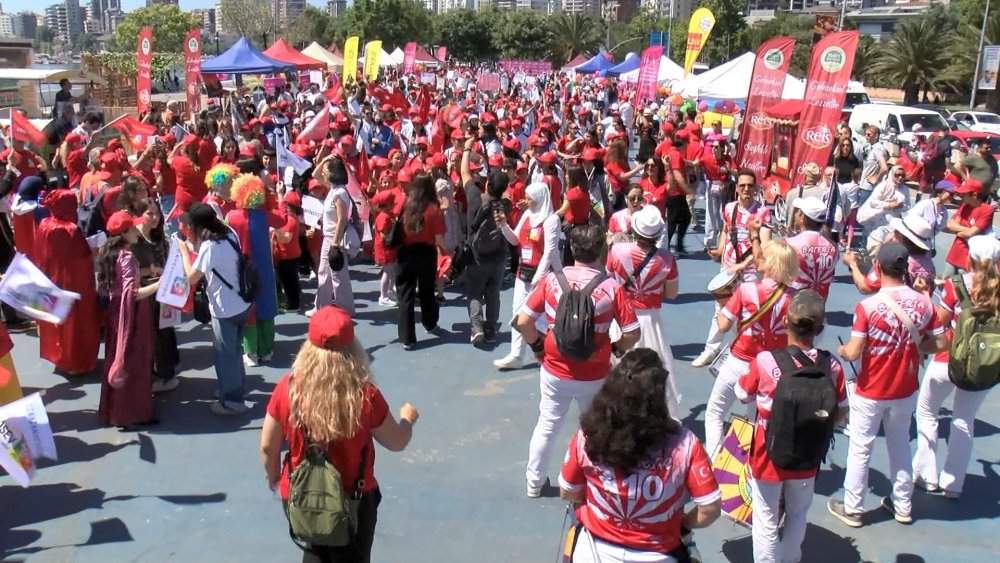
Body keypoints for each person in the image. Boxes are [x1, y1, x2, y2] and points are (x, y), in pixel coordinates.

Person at [260, 306, 419, 563]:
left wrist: (273, 476)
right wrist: (407, 420)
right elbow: (397, 441)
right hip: (352, 501)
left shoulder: (287, 388)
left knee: (314, 549)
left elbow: (268, 447)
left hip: (303, 494)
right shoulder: (364, 395)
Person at [559, 349, 721, 563]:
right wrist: (682, 524)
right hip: (659, 554)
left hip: (593, 551)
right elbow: (709, 508)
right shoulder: (685, 443)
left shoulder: (587, 436)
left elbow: (568, 491)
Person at [515, 225, 640, 497]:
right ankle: (592, 483)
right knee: (595, 429)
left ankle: (534, 482)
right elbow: (633, 333)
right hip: (594, 373)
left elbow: (523, 321)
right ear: (601, 251)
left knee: (547, 423)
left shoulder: (550, 281)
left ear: (572, 250)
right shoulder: (611, 288)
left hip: (554, 369)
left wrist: (538, 347)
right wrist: (614, 349)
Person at [829, 242, 947, 528]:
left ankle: (855, 508)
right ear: (905, 268)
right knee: (900, 445)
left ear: (878, 267)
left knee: (860, 447)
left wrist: (844, 353)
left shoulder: (867, 307)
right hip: (905, 387)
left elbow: (855, 351)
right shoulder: (924, 303)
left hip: (871, 388)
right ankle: (903, 504)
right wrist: (917, 346)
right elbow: (942, 342)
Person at [736, 290, 848, 563]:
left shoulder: (766, 361)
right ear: (820, 328)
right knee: (798, 513)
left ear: (786, 322)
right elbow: (842, 412)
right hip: (808, 454)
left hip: (768, 453)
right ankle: (791, 557)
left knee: (765, 516)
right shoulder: (831, 365)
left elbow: (742, 393)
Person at [912, 236, 1000, 500]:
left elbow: (938, 323)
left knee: (927, 412)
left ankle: (926, 475)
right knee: (964, 420)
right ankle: (953, 484)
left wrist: (924, 295)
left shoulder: (956, 285)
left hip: (948, 359)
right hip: (984, 364)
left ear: (970, 258)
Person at [703, 240, 798, 457]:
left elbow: (723, 325)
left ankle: (716, 463)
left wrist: (721, 305)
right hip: (772, 369)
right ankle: (752, 468)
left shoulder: (746, 290)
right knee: (757, 421)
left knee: (715, 412)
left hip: (738, 362)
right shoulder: (795, 298)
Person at [693, 170, 772, 368]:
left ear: (755, 189)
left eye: (750, 186)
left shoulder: (762, 213)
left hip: (750, 270)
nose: (746, 189)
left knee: (749, 311)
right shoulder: (729, 208)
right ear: (737, 188)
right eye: (742, 185)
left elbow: (765, 246)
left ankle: (745, 352)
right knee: (720, 308)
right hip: (728, 266)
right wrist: (719, 250)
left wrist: (743, 264)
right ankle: (711, 349)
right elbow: (726, 231)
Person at [179, 203, 252, 415]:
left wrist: (184, 253)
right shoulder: (229, 233)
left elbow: (191, 277)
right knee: (235, 350)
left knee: (225, 355)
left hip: (225, 308)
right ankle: (237, 389)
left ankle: (231, 402)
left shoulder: (210, 247)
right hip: (241, 302)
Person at [605, 206, 680, 401]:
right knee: (651, 373)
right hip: (650, 322)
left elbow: (610, 283)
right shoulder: (667, 259)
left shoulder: (616, 250)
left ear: (635, 229)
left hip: (621, 319)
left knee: (616, 371)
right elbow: (672, 294)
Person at [97, 211, 160, 429]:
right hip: (132, 317)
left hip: (116, 314)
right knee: (135, 361)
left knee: (117, 356)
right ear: (124, 234)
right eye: (133, 228)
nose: (137, 231)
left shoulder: (110, 254)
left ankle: (115, 410)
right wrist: (161, 284)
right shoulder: (126, 257)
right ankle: (132, 413)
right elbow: (132, 294)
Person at [493, 182, 562, 370]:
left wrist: (538, 278)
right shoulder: (527, 215)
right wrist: (504, 225)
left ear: (539, 198)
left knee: (544, 318)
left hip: (543, 276)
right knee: (518, 314)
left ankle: (552, 354)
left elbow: (549, 251)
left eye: (529, 197)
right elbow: (515, 239)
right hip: (523, 272)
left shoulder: (551, 220)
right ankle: (517, 355)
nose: (526, 200)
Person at [35, 189, 101, 376]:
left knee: (58, 325)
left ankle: (62, 358)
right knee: (77, 324)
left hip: (50, 281)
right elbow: (81, 257)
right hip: (72, 283)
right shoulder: (68, 229)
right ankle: (77, 362)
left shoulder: (44, 224)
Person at [225, 173, 282, 366]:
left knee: (248, 310)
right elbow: (283, 219)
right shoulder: (265, 216)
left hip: (242, 270)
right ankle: (266, 350)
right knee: (266, 308)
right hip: (264, 269)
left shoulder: (231, 217)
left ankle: (251, 352)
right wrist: (280, 196)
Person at [464, 141, 512, 344]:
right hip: (498, 255)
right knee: (493, 293)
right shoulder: (506, 204)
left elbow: (465, 173)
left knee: (475, 292)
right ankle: (491, 328)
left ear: (486, 184)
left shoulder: (476, 198)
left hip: (477, 256)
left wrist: (467, 148)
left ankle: (477, 327)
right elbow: (505, 187)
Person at [132, 199, 180, 392]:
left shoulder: (160, 236)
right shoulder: (134, 238)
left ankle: (166, 373)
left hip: (164, 291)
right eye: (149, 214)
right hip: (145, 293)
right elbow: (128, 270)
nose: (154, 218)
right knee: (150, 335)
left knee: (165, 332)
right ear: (139, 215)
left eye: (156, 214)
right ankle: (151, 374)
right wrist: (151, 271)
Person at [397, 174, 449, 350]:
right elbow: (439, 237)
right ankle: (430, 323)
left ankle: (407, 338)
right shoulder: (433, 208)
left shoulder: (405, 205)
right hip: (426, 253)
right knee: (427, 291)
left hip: (405, 252)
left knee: (405, 295)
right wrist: (449, 251)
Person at [310, 153, 356, 316]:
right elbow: (314, 174)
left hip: (334, 239)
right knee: (324, 273)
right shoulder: (333, 189)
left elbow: (341, 219)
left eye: (326, 169)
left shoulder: (340, 193)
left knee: (338, 275)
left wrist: (335, 244)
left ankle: (346, 309)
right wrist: (325, 159)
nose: (323, 172)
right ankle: (321, 306)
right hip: (328, 238)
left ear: (333, 172)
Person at [844, 214, 935, 294]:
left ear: (899, 236)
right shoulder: (929, 265)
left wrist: (852, 264)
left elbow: (866, 287)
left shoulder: (892, 260)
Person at [785, 197, 839, 299]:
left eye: (798, 212)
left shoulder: (789, 244)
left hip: (794, 303)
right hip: (818, 305)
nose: (795, 214)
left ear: (802, 218)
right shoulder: (833, 247)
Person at [943, 178, 994, 277]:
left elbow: (970, 233)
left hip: (969, 259)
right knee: (944, 285)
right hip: (954, 254)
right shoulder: (964, 206)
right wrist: (969, 230)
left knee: (963, 288)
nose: (960, 196)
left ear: (974, 195)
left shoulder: (987, 210)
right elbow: (950, 225)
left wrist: (960, 229)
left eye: (964, 194)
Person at [856, 165, 908, 231]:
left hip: (892, 221)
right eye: (897, 175)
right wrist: (888, 205)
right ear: (892, 174)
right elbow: (873, 202)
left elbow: (907, 206)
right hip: (876, 219)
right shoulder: (883, 185)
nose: (900, 177)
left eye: (903, 175)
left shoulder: (904, 189)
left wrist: (901, 206)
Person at [858, 125, 889, 206]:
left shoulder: (877, 149)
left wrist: (876, 179)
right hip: (865, 186)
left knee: (861, 214)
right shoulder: (873, 148)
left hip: (868, 188)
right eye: (865, 134)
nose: (866, 136)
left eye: (869, 134)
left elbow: (884, 168)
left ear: (876, 136)